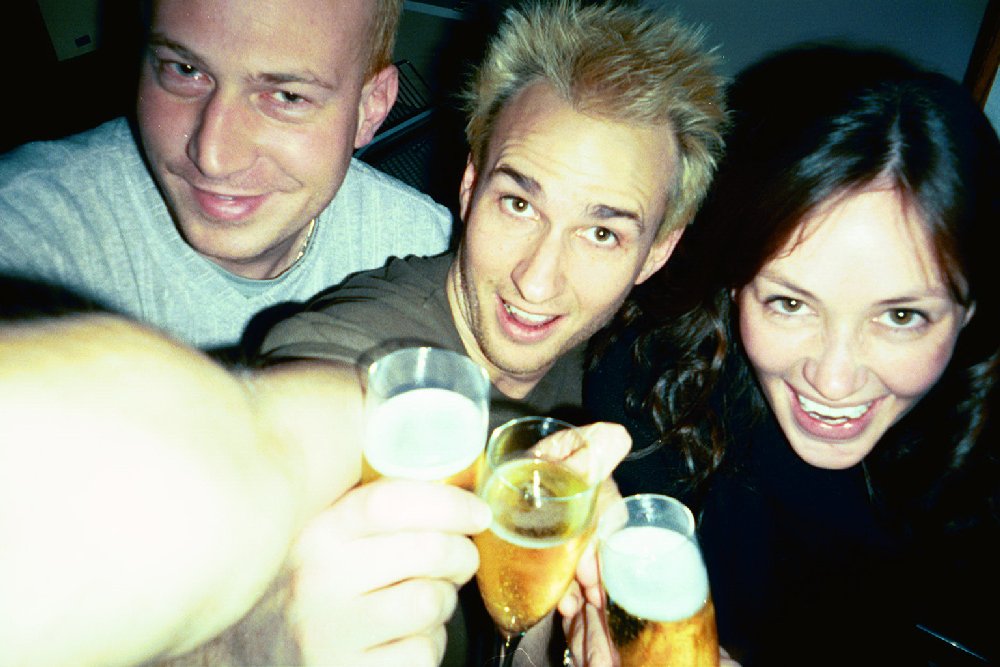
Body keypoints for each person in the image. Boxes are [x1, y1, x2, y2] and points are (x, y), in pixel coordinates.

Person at [257, 0, 726, 662]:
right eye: (518, 202)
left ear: (655, 253)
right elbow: (290, 421)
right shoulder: (365, 339)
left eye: (600, 233)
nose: (537, 280)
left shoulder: (606, 366)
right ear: (471, 185)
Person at [575, 45, 999, 665]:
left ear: (970, 309)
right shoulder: (650, 392)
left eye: (901, 316)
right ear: (736, 282)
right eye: (790, 303)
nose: (833, 379)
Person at [0, 0, 451, 353]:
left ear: (370, 108)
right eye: (185, 70)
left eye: (287, 96)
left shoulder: (429, 250)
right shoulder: (31, 226)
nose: (213, 157)